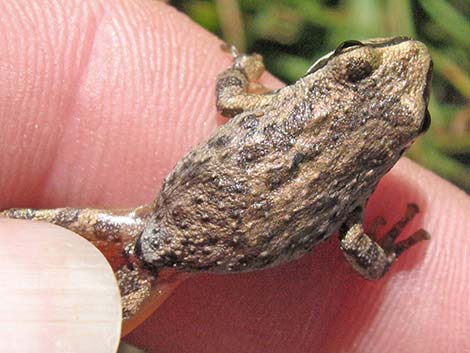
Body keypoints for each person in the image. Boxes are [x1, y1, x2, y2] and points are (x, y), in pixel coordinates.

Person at [0, 1, 468, 352]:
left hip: (172, 223)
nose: (411, 52)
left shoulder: (280, 109)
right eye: (356, 65)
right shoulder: (352, 188)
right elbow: (358, 252)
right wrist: (385, 256)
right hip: (190, 235)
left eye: (413, 118)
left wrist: (243, 67)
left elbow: (228, 96)